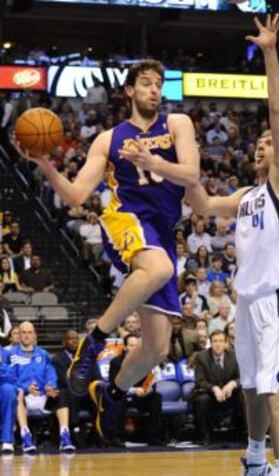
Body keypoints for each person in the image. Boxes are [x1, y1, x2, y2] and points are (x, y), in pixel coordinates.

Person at [14, 59, 200, 440]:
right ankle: (94, 341)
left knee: (157, 347)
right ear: (129, 91)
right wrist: (45, 164)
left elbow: (192, 175)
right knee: (161, 268)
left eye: (158, 84)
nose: (154, 90)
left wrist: (153, 161)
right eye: (146, 83)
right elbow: (77, 196)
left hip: (162, 232)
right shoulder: (109, 139)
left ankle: (111, 393)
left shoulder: (178, 124)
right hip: (126, 218)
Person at [188, 15, 279, 476]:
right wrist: (164, 161)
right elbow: (202, 203)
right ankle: (255, 465)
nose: (262, 145)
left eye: (267, 142)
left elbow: (276, 108)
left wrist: (271, 52)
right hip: (248, 301)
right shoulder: (246, 195)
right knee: (254, 390)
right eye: (256, 144)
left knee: (274, 390)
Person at [5, 321, 75, 453]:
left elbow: (51, 373)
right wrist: (26, 388)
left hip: (43, 397)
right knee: (16, 392)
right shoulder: (11, 355)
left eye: (29, 332)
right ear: (19, 335)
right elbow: (9, 378)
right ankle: (26, 436)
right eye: (23, 332)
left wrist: (50, 386)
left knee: (61, 393)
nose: (26, 335)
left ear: (34, 335)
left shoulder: (43, 354)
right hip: (23, 399)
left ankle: (65, 436)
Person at [109, 334, 163, 446]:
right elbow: (114, 384)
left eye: (136, 345)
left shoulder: (146, 361)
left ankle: (154, 437)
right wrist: (133, 390)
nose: (134, 348)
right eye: (131, 345)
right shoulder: (116, 362)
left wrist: (148, 390)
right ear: (125, 347)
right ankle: (118, 437)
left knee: (156, 397)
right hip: (124, 394)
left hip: (141, 396)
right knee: (119, 399)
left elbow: (152, 380)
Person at [192, 330, 243, 446]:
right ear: (210, 343)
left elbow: (243, 378)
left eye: (221, 341)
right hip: (210, 395)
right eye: (214, 341)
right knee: (202, 399)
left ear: (226, 343)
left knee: (244, 395)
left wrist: (233, 384)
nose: (218, 344)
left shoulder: (235, 356)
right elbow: (199, 382)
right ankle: (204, 436)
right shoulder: (201, 357)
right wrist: (214, 388)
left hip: (230, 395)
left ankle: (244, 434)